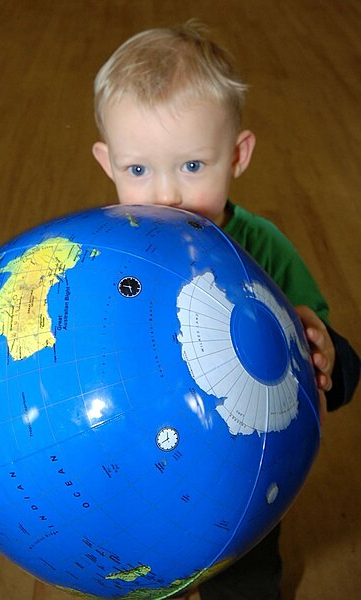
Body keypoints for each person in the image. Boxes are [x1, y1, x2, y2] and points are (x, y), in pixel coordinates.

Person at [91, 20, 360, 600]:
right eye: (138, 170)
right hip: (140, 468)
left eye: (192, 166)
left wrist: (324, 347)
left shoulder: (261, 246)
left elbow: (317, 353)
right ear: (108, 162)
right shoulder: (102, 256)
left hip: (241, 473)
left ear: (237, 155)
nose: (166, 195)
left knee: (246, 578)